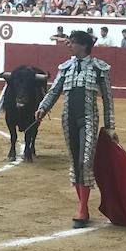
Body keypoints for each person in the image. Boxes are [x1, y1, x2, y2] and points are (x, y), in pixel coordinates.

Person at [34, 30, 116, 229]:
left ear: (82, 45)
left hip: (88, 118)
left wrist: (110, 125)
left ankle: (82, 206)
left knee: (85, 160)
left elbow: (107, 98)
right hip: (68, 119)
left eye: (71, 42)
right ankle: (83, 206)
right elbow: (55, 90)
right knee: (74, 160)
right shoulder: (66, 67)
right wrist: (43, 107)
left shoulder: (99, 68)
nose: (68, 45)